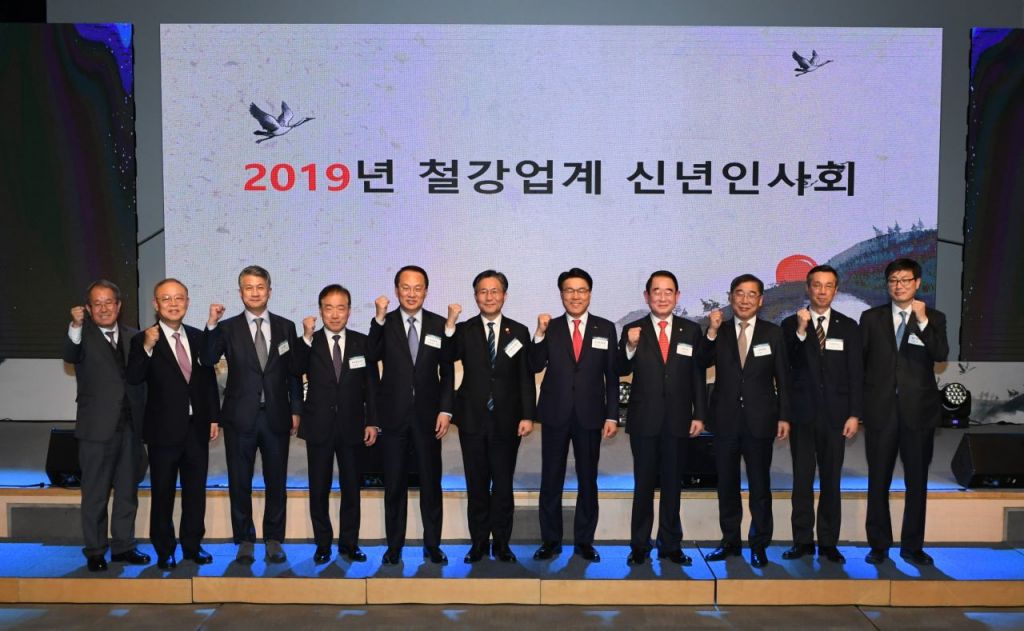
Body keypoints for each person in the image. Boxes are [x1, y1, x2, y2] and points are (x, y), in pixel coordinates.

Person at [202, 265, 302, 564]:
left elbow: (293, 372)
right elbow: (207, 358)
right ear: (240, 292)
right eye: (249, 287)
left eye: (260, 287)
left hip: (276, 416)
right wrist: (211, 324)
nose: (255, 292)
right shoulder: (227, 328)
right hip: (239, 417)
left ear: (269, 291)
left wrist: (296, 409)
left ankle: (274, 539)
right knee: (239, 481)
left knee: (276, 481)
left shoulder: (286, 327)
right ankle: (244, 539)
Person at [860, 258, 948, 566]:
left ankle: (912, 546)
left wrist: (922, 322)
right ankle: (878, 545)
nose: (899, 286)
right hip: (880, 412)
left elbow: (940, 354)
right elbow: (860, 364)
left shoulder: (934, 317)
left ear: (918, 283)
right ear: (887, 285)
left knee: (917, 482)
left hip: (918, 413)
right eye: (894, 281)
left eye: (905, 280)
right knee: (878, 480)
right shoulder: (871, 318)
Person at [127, 278, 219, 569]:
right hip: (162, 431)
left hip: (196, 428)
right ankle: (165, 550)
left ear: (187, 302)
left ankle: (192, 545)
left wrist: (213, 417)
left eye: (179, 298)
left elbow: (208, 381)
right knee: (163, 493)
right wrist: (147, 347)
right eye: (166, 299)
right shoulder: (143, 339)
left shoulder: (198, 337)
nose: (173, 304)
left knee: (195, 492)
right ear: (155, 304)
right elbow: (134, 377)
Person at [368, 265, 457, 565]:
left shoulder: (438, 324)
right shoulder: (386, 323)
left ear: (426, 291)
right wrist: (378, 318)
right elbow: (371, 356)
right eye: (405, 288)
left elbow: (447, 370)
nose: (411, 293)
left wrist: (445, 409)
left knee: (431, 484)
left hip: (429, 419)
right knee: (394, 485)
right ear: (396, 291)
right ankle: (394, 547)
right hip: (393, 418)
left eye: (417, 288)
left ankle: (432, 545)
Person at [529, 267, 619, 562]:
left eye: (581, 290)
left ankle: (584, 542)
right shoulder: (551, 327)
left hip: (591, 415)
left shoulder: (605, 328)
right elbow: (534, 365)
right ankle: (550, 541)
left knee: (588, 479)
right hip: (555, 413)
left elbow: (612, 376)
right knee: (551, 479)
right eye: (569, 290)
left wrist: (612, 415)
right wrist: (538, 334)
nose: (575, 296)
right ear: (561, 294)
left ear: (589, 294)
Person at [617, 271, 706, 566]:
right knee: (643, 486)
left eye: (669, 291)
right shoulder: (633, 329)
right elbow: (619, 368)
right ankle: (639, 546)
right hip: (644, 420)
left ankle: (670, 544)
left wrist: (699, 414)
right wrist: (630, 346)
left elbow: (697, 376)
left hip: (679, 420)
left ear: (677, 296)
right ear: (647, 296)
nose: (663, 297)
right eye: (657, 291)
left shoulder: (690, 330)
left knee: (672, 486)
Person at [702, 274, 790, 568]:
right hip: (725, 420)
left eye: (752, 294)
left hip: (760, 421)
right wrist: (711, 332)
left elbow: (783, 379)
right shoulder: (720, 331)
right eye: (739, 293)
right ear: (730, 297)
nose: (745, 300)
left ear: (761, 300)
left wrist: (784, 416)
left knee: (759, 486)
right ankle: (730, 541)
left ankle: (759, 543)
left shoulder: (773, 333)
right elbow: (701, 361)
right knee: (726, 485)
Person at [450, 270, 536, 563]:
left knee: (502, 485)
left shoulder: (519, 331)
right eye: (483, 291)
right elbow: (447, 356)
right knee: (476, 485)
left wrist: (528, 415)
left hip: (507, 421)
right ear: (476, 296)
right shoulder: (464, 330)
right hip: (472, 419)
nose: (489, 297)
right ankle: (477, 543)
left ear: (504, 295)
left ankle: (501, 543)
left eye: (495, 291)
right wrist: (449, 325)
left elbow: (525, 377)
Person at [64, 279, 149, 572]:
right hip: (96, 429)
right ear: (88, 309)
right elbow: (70, 354)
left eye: (108, 302)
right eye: (97, 304)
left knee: (127, 492)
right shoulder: (81, 336)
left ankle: (124, 547)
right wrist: (75, 326)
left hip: (131, 429)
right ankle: (96, 550)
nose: (103, 309)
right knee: (95, 494)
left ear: (118, 305)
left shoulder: (135, 336)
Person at [780, 265, 863, 564]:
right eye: (817, 285)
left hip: (836, 417)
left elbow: (856, 373)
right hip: (802, 415)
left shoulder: (848, 326)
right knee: (802, 480)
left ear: (836, 290)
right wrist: (802, 332)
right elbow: (785, 367)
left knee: (831, 481)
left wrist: (855, 414)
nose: (822, 291)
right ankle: (802, 541)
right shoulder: (790, 324)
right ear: (808, 288)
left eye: (828, 286)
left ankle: (828, 542)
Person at [291, 284, 378, 564]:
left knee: (352, 489)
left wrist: (373, 422)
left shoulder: (362, 342)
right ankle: (323, 544)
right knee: (319, 488)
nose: (335, 314)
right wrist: (305, 337)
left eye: (341, 308)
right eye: (329, 308)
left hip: (353, 427)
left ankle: (349, 543)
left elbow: (371, 386)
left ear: (349, 311)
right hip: (319, 426)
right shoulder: (309, 342)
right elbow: (294, 369)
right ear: (320, 311)